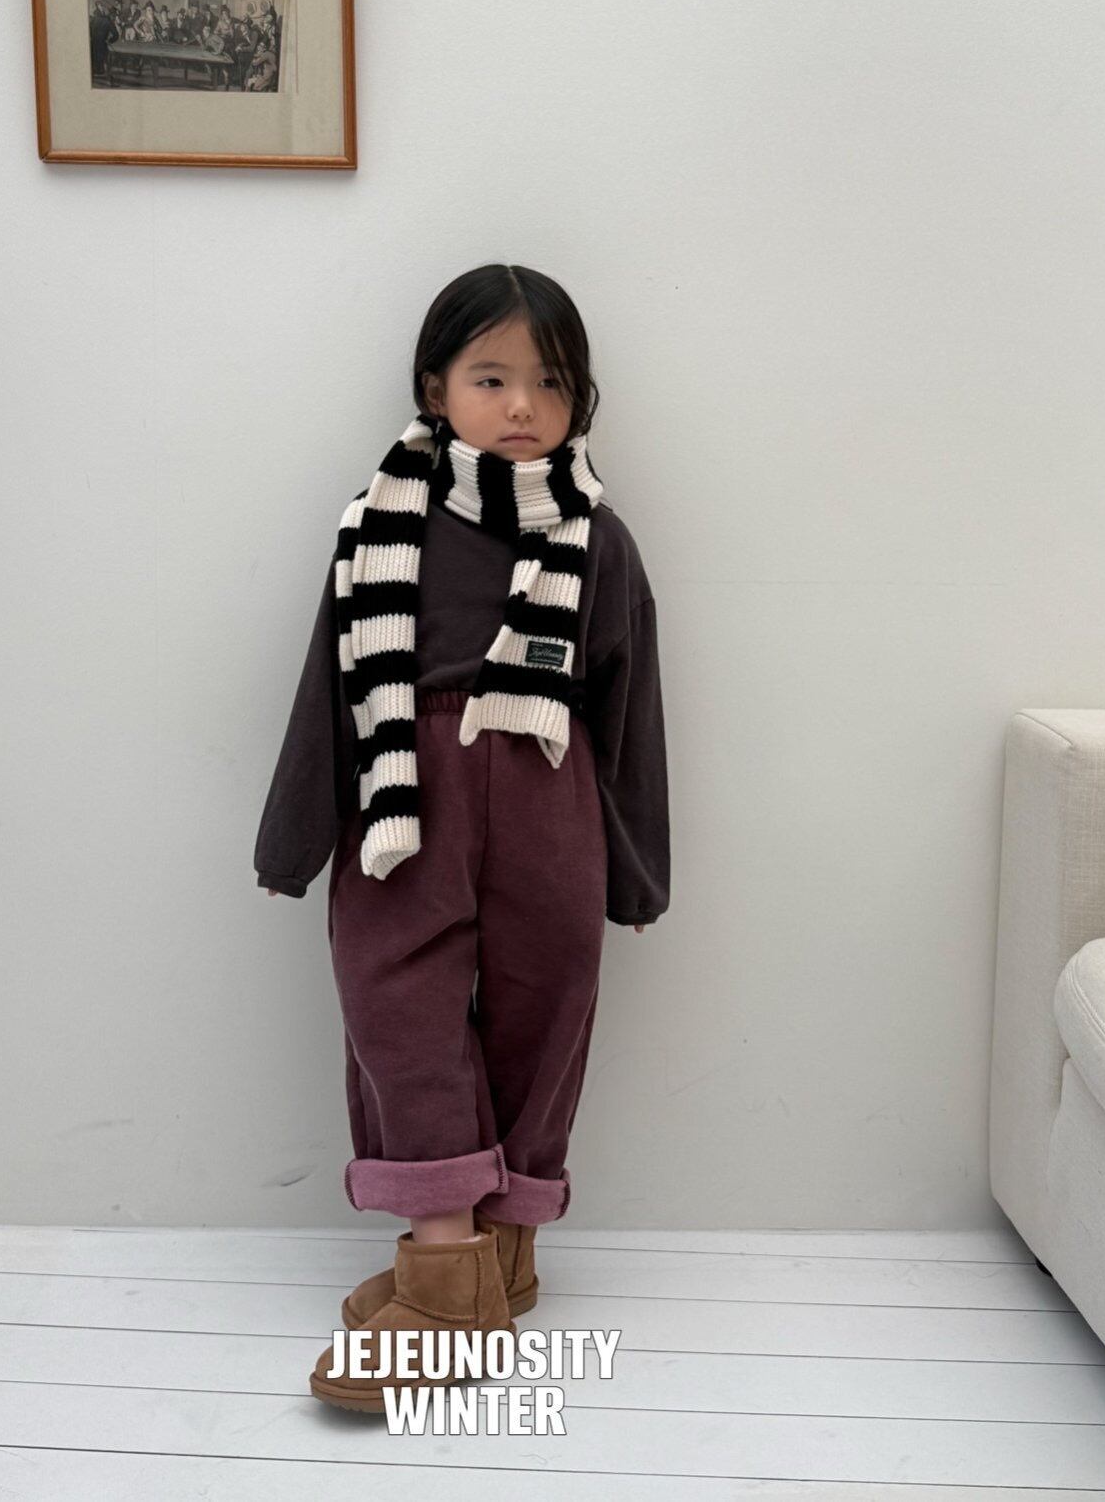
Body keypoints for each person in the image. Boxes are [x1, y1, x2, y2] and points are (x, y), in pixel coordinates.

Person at [253, 263, 671, 1411]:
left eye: (552, 380)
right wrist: (293, 838)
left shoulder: (598, 541)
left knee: (543, 1010)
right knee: (397, 1007)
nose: (524, 403)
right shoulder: (379, 526)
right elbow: (329, 686)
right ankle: (443, 1270)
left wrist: (634, 871)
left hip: (547, 793)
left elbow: (627, 712)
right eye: (491, 376)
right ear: (434, 387)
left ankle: (497, 1258)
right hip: (408, 794)